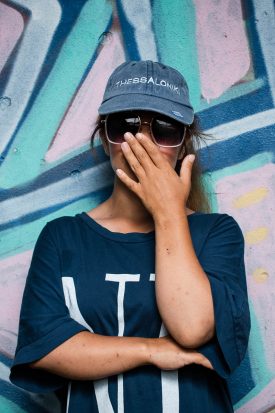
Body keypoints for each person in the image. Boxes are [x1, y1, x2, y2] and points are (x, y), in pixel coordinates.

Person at [9, 60, 251, 413]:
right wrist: (152, 351)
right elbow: (46, 349)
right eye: (126, 126)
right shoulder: (63, 238)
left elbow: (191, 327)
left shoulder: (217, 233)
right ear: (104, 138)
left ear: (183, 145)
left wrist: (168, 211)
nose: (142, 144)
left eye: (164, 130)